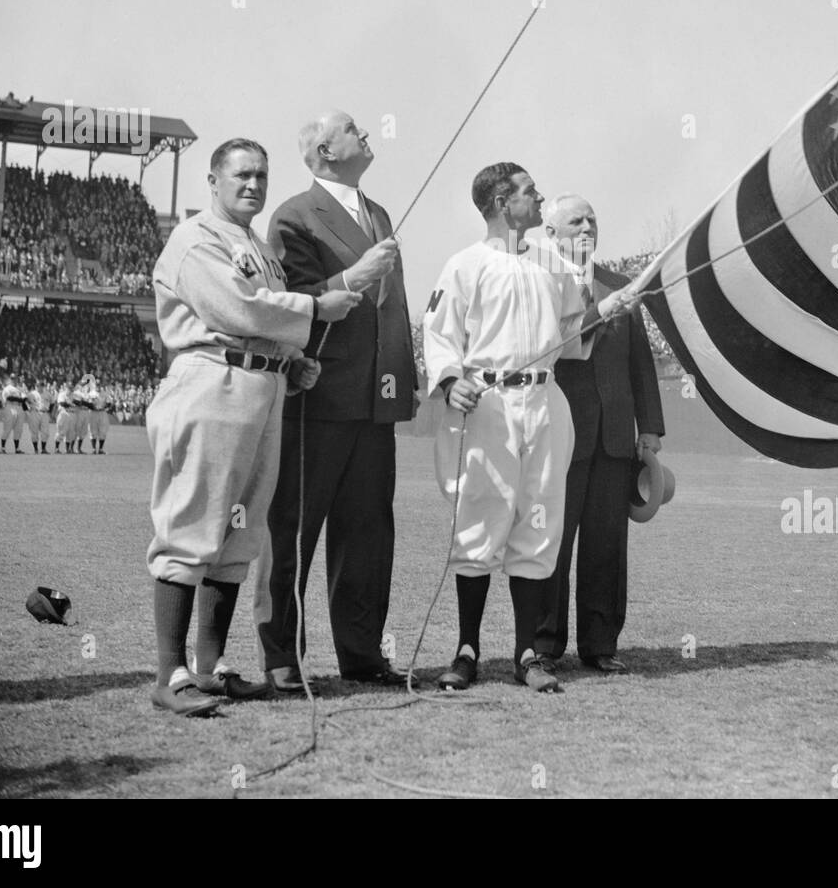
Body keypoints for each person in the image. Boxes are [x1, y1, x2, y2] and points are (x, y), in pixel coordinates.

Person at [145, 138, 361, 716]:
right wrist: (316, 309)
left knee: (238, 534)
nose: (253, 185)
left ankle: (210, 668)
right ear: (212, 181)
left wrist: (291, 361)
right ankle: (171, 674)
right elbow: (237, 309)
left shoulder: (258, 247)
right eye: (241, 175)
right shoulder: (195, 238)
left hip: (261, 389)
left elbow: (264, 321)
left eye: (262, 175)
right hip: (211, 384)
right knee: (191, 525)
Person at [422, 163, 638, 693]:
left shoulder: (553, 263)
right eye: (528, 193)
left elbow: (570, 338)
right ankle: (467, 650)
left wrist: (600, 312)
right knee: (478, 527)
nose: (538, 199)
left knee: (538, 526)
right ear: (501, 203)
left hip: (545, 400)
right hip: (487, 404)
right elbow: (440, 335)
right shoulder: (464, 265)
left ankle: (528, 656)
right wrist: (452, 382)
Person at [254, 112, 417, 693]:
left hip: (375, 403)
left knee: (369, 535)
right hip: (317, 399)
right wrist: (351, 277)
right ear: (326, 148)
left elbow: (392, 311)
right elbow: (286, 302)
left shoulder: (377, 213)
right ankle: (282, 658)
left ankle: (362, 651)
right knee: (292, 532)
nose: (367, 134)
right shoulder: (293, 216)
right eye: (354, 128)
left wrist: (401, 381)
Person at [535, 193, 665, 674]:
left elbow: (640, 363)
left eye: (592, 219)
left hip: (614, 437)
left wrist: (649, 429)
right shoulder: (538, 281)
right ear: (551, 233)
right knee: (552, 541)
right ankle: (543, 644)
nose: (587, 227)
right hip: (560, 436)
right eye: (575, 221)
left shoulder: (620, 286)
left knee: (606, 545)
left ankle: (601, 643)